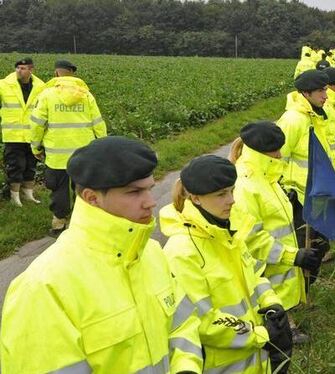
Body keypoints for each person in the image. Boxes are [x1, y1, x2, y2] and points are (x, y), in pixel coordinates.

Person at [1, 136, 203, 373]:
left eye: (150, 189)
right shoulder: (44, 287)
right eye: (134, 192)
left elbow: (182, 326)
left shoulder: (151, 253)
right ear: (91, 197)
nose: (150, 202)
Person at [161, 155, 293, 373]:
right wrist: (260, 334)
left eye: (231, 190)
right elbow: (203, 320)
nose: (231, 200)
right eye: (221, 194)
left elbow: (253, 276)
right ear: (195, 199)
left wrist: (272, 305)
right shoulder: (182, 251)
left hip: (257, 357)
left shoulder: (228, 232)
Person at [229, 121, 322, 344]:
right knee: (268, 296)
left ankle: (286, 322)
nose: (280, 155)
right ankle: (281, 329)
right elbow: (252, 236)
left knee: (278, 293)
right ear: (260, 151)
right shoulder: (245, 184)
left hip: (277, 257)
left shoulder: (265, 175)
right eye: (275, 150)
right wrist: (293, 255)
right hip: (266, 261)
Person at [30, 59, 107, 235]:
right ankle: (82, 224)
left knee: (58, 189)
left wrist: (35, 147)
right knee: (84, 188)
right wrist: (102, 146)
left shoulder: (47, 95)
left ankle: (59, 224)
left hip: (57, 156)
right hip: (83, 154)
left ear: (56, 73)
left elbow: (37, 124)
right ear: (72, 74)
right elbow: (98, 123)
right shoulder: (86, 95)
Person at [276, 69, 335, 282]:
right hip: (299, 196)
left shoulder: (315, 116)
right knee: (304, 243)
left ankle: (310, 282)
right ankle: (303, 287)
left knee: (319, 240)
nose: (325, 95)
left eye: (326, 90)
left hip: (316, 192)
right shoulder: (293, 120)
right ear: (305, 93)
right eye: (320, 91)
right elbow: (277, 158)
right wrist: (283, 188)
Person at [0, 57, 45, 206]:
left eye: (23, 68)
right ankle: (14, 197)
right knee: (15, 165)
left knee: (31, 166)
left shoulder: (41, 86)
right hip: (13, 134)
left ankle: (28, 195)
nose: (19, 70)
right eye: (17, 68)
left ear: (31, 70)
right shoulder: (4, 84)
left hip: (32, 134)